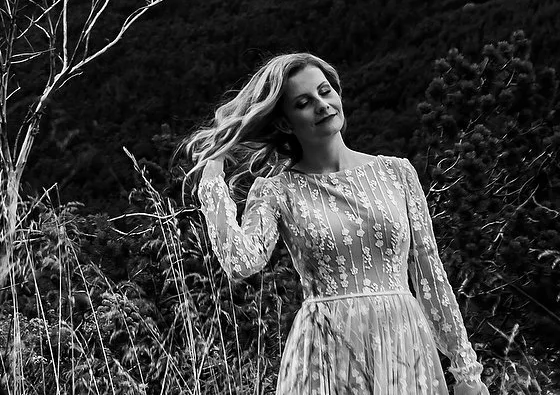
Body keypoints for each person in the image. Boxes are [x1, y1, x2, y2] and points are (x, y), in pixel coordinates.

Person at [188, 52, 488, 395]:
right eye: (304, 102)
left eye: (325, 91)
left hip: (403, 346)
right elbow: (240, 262)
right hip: (325, 353)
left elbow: (430, 275)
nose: (322, 104)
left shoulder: (396, 173)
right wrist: (212, 180)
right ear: (286, 122)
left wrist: (466, 372)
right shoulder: (276, 190)